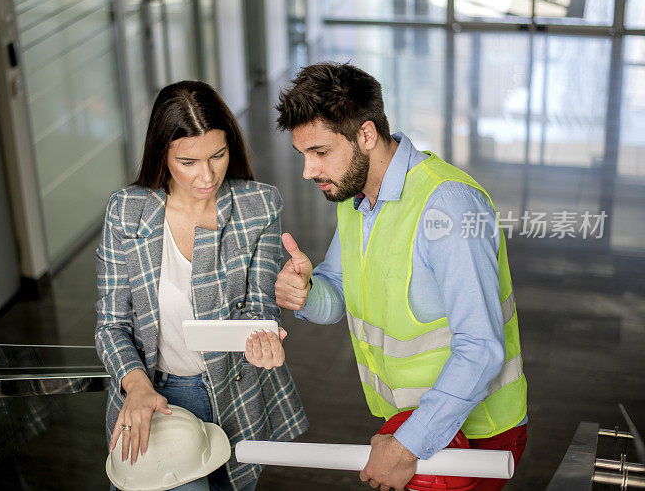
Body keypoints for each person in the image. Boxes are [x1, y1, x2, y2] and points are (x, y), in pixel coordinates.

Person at [274, 63, 528, 491]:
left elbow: (482, 347)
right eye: (303, 155)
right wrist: (306, 292)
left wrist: (408, 444)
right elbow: (336, 292)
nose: (307, 170)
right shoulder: (356, 199)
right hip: (410, 421)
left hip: (475, 433)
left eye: (319, 152)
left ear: (366, 135)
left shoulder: (447, 206)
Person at [95, 80, 308, 491]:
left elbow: (258, 308)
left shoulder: (259, 205)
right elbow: (111, 325)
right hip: (154, 398)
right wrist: (136, 385)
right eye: (188, 162)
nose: (207, 176)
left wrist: (263, 336)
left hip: (235, 395)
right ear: (163, 154)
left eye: (218, 155)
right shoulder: (126, 212)